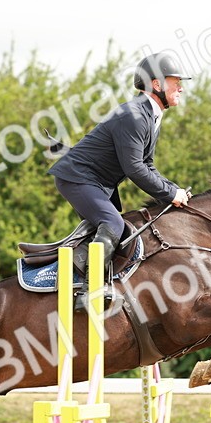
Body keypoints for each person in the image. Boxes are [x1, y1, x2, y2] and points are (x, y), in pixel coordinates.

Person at [47, 52, 192, 296]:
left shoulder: (150, 116)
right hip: (78, 178)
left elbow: (148, 164)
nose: (181, 88)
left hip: (97, 183)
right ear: (156, 84)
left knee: (121, 228)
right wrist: (169, 193)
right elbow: (134, 168)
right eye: (175, 82)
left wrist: (173, 189)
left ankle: (81, 271)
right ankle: (88, 290)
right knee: (113, 223)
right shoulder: (133, 116)